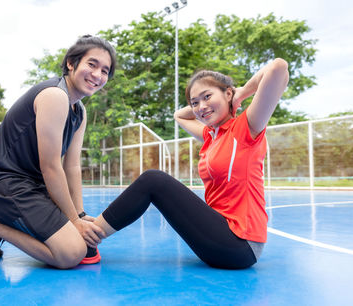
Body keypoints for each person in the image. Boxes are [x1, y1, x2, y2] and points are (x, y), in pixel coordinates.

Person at [91, 58, 289, 269]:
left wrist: (240, 93)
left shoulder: (246, 127)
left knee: (153, 181)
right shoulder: (211, 136)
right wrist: (205, 102)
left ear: (228, 94)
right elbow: (179, 115)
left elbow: (278, 68)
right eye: (195, 102)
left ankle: (90, 237)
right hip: (220, 235)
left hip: (240, 243)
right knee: (154, 180)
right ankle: (91, 233)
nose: (201, 107)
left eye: (207, 96)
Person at [0, 35, 117, 269]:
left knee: (81, 244)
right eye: (91, 65)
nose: (97, 75)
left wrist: (80, 216)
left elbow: (71, 166)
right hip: (2, 184)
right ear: (71, 64)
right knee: (71, 254)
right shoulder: (54, 96)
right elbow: (51, 166)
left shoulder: (79, 111)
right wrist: (72, 220)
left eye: (105, 71)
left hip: (34, 186)